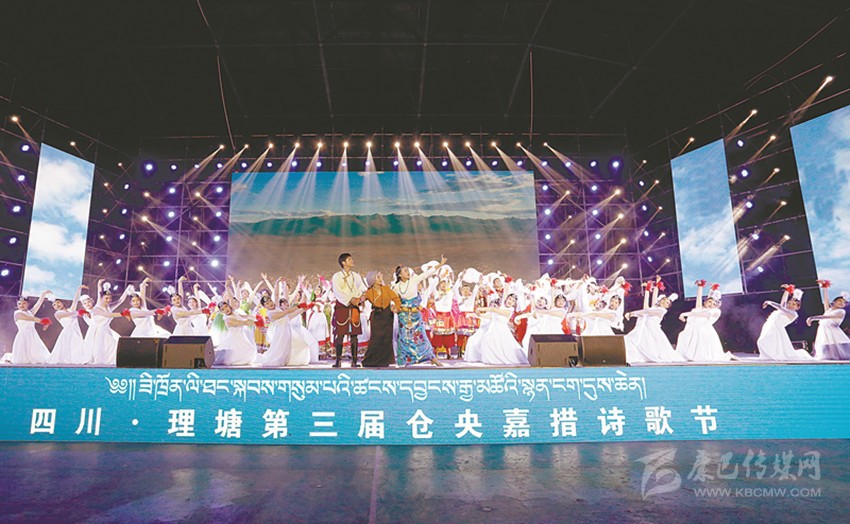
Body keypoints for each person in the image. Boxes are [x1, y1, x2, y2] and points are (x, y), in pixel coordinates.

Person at [392, 256, 448, 366]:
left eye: (408, 270)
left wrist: (440, 264)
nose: (408, 272)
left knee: (421, 337)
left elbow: (426, 274)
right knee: (404, 338)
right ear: (399, 275)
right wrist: (395, 307)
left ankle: (431, 358)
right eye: (405, 271)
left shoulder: (414, 280)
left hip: (415, 316)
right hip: (403, 317)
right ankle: (404, 361)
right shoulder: (396, 287)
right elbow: (394, 301)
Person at [624, 279, 685, 363]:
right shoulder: (655, 308)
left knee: (652, 346)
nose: (665, 302)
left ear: (667, 307)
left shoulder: (662, 310)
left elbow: (646, 311)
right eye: (664, 300)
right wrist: (649, 289)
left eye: (667, 303)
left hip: (652, 329)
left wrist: (632, 314)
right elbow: (646, 308)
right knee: (634, 340)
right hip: (644, 327)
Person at [677, 280, 733, 362]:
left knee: (703, 353)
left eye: (713, 304)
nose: (711, 304)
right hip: (693, 330)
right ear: (705, 302)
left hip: (704, 331)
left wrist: (684, 314)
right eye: (709, 302)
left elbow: (702, 314)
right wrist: (700, 287)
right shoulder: (700, 309)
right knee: (683, 336)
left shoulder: (716, 311)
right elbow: (698, 301)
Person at [464, 296, 528, 365]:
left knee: (487, 340)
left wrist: (480, 308)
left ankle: (493, 360)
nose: (510, 301)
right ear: (506, 299)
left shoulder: (509, 311)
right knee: (486, 340)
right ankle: (491, 360)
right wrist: (476, 315)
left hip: (501, 331)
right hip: (494, 330)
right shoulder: (502, 309)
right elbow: (490, 316)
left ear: (514, 304)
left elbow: (493, 309)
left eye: (513, 301)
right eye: (509, 299)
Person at [757, 285, 813, 361]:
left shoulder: (793, 314)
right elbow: (782, 304)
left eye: (793, 304)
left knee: (763, 341)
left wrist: (769, 302)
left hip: (777, 330)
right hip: (770, 327)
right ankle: (769, 356)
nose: (790, 305)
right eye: (789, 303)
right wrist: (787, 291)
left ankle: (771, 357)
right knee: (763, 342)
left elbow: (780, 307)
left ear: (798, 307)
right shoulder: (784, 310)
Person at [331, 253, 367, 367]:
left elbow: (362, 288)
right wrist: (350, 299)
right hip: (342, 306)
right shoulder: (337, 276)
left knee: (354, 334)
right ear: (343, 262)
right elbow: (337, 291)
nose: (352, 261)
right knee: (340, 334)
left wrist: (362, 296)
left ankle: (354, 361)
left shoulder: (356, 276)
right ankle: (338, 360)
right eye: (349, 259)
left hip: (354, 307)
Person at [86, 281, 132, 366]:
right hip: (99, 332)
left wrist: (127, 289)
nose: (109, 300)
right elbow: (108, 315)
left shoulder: (109, 306)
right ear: (101, 298)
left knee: (115, 344)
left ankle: (110, 361)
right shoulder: (96, 309)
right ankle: (100, 361)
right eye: (106, 298)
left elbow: (120, 300)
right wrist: (123, 314)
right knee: (101, 348)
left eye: (110, 298)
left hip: (107, 330)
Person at [361, 271, 401, 367]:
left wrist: (397, 307)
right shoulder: (368, 292)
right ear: (372, 280)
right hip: (376, 316)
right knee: (375, 338)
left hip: (387, 315)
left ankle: (385, 361)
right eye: (378, 277)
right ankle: (371, 360)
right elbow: (360, 300)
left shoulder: (386, 289)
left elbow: (396, 298)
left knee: (387, 338)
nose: (380, 279)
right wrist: (361, 300)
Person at [807, 281, 850, 360]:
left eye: (844, 303)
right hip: (824, 333)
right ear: (834, 302)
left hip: (834, 334)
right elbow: (826, 300)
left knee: (840, 355)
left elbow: (827, 317)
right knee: (826, 355)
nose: (842, 303)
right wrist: (825, 287)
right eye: (840, 301)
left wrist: (812, 318)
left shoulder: (841, 311)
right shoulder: (829, 310)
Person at [7, 291, 52, 364]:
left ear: (28, 304)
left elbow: (38, 305)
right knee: (22, 359)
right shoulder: (18, 313)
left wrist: (43, 294)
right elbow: (32, 319)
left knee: (38, 357)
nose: (21, 305)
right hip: (23, 336)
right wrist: (44, 321)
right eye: (19, 304)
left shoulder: (30, 313)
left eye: (24, 303)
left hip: (33, 336)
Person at [49, 285, 89, 365]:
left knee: (77, 346)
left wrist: (79, 288)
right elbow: (70, 314)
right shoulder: (58, 314)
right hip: (67, 333)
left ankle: (77, 361)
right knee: (67, 350)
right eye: (54, 305)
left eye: (58, 302)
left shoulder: (70, 310)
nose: (57, 305)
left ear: (62, 302)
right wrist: (78, 313)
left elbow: (75, 300)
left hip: (76, 331)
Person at [214, 301, 258, 366]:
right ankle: (238, 361)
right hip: (235, 338)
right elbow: (242, 322)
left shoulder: (234, 313)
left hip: (241, 335)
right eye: (223, 309)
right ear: (221, 312)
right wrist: (254, 322)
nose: (226, 309)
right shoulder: (228, 319)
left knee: (251, 349)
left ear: (229, 306)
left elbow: (244, 316)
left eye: (226, 307)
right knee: (248, 350)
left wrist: (256, 318)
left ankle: (241, 361)